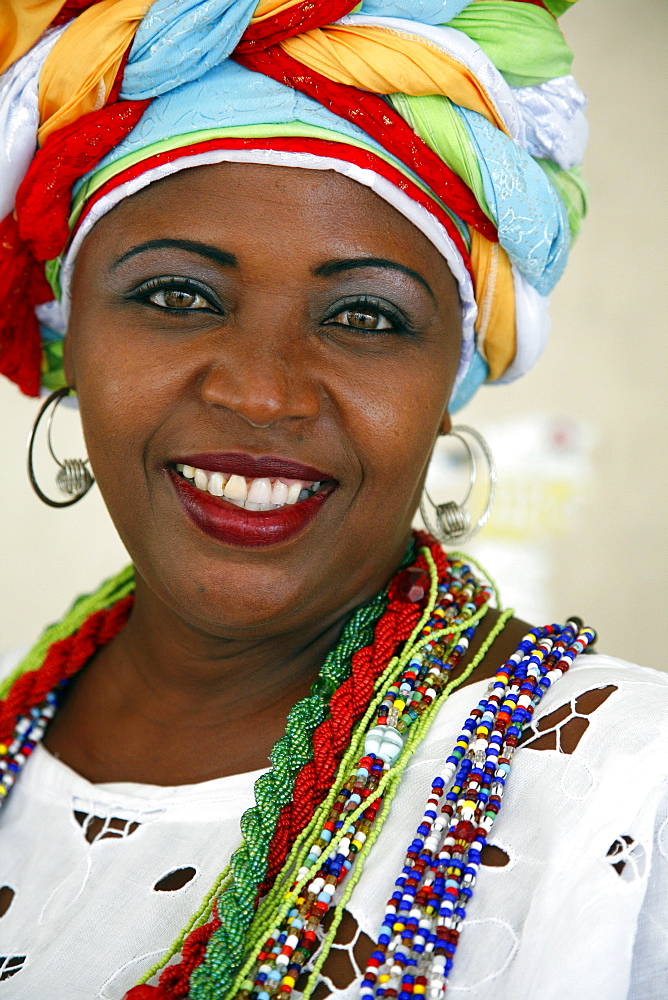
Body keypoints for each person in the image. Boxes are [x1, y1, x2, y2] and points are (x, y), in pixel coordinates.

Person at [0, 1, 666, 998]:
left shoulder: (614, 795)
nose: (260, 392)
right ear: (71, 341)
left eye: (363, 315)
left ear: (450, 379)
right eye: (176, 295)